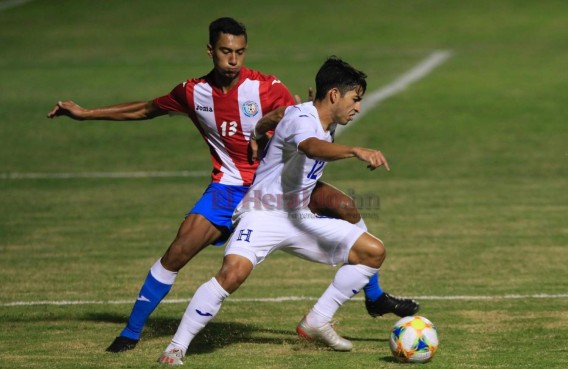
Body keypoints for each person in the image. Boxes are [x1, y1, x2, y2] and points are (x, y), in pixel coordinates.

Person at [47, 18, 418, 353]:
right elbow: (145, 109)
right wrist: (85, 113)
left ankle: (372, 295)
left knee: (349, 207)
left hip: (277, 185)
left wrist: (263, 130)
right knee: (178, 253)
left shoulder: (266, 86)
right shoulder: (193, 93)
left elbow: (291, 117)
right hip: (231, 187)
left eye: (240, 52)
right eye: (226, 51)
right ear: (211, 50)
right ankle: (132, 331)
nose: (234, 60)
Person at [158, 56, 408, 365]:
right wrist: (355, 150)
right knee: (232, 274)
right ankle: (176, 347)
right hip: (261, 213)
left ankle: (317, 321)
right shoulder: (304, 121)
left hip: (298, 218)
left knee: (373, 252)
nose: (358, 107)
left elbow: (275, 115)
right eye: (355, 99)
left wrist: (257, 134)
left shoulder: (308, 116)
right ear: (333, 95)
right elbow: (310, 147)